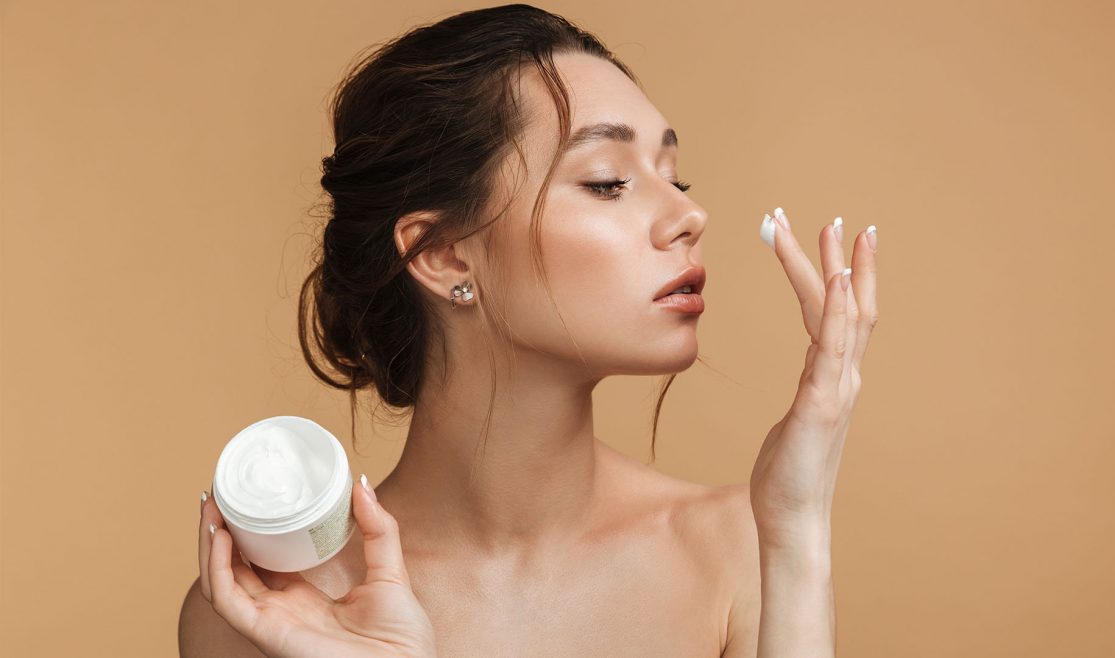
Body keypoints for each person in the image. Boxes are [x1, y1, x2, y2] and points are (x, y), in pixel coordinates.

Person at [178, 4, 878, 656]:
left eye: (675, 178)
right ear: (442, 253)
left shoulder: (744, 551)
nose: (688, 217)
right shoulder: (276, 612)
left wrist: (796, 530)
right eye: (607, 181)